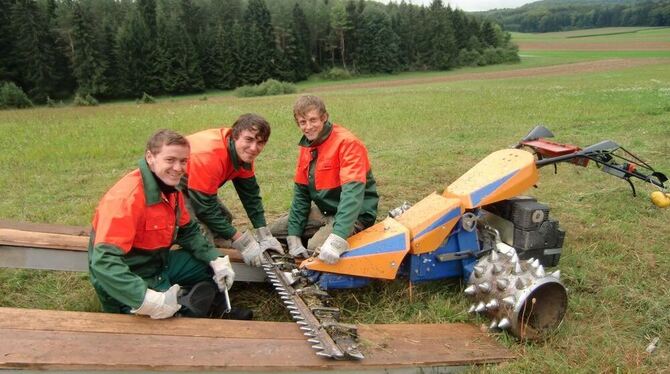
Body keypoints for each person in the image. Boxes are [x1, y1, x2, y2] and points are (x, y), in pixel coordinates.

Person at [88, 129, 237, 320]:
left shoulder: (170, 189)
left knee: (208, 268)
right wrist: (147, 299)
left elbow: (188, 231)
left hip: (158, 263)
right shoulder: (125, 199)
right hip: (131, 276)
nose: (178, 168)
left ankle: (214, 307)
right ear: (150, 157)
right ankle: (183, 306)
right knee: (168, 321)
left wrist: (214, 258)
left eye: (183, 161)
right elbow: (104, 264)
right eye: (170, 160)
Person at [271, 95, 379, 264]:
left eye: (313, 120)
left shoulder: (347, 143)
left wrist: (337, 238)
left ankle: (338, 239)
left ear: (324, 117)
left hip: (356, 213)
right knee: (275, 231)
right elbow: (301, 194)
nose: (308, 127)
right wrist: (293, 236)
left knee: (315, 247)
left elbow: (352, 196)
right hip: (326, 210)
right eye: (302, 122)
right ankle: (309, 239)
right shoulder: (308, 145)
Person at [182, 114, 283, 268]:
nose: (254, 148)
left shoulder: (243, 154)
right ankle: (193, 261)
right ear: (235, 136)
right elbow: (205, 209)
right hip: (170, 187)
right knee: (198, 235)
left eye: (260, 142)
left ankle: (221, 250)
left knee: (224, 218)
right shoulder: (210, 155)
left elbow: (250, 195)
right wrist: (243, 242)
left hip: (196, 184)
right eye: (249, 139)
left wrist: (264, 233)